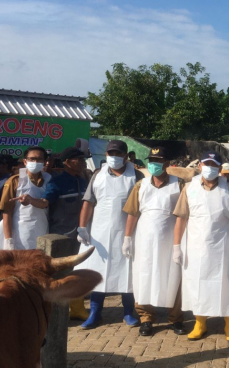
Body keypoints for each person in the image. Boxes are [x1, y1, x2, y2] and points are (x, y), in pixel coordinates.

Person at [172, 151, 229, 342]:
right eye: (207, 164)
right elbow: (181, 219)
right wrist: (176, 246)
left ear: (220, 169)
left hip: (224, 244)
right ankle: (200, 323)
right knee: (198, 283)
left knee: (228, 282)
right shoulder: (189, 188)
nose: (210, 168)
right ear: (200, 166)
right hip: (196, 245)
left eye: (214, 165)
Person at [75, 140, 143, 329]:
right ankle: (95, 313)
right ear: (106, 155)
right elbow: (88, 202)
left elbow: (139, 206)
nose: (114, 157)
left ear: (126, 156)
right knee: (98, 270)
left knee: (126, 272)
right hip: (99, 232)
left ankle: (129, 312)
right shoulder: (98, 175)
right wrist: (82, 227)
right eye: (110, 153)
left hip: (127, 231)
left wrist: (129, 236)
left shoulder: (135, 175)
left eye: (118, 154)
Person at [122, 147, 187, 337]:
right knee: (144, 276)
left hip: (170, 239)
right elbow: (133, 213)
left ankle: (175, 319)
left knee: (173, 276)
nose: (154, 164)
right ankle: (146, 318)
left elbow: (184, 214)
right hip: (144, 239)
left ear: (167, 164)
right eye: (151, 160)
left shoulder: (179, 184)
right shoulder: (140, 185)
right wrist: (127, 237)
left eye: (158, 160)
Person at [24, 147, 90, 320]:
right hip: (61, 237)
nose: (83, 162)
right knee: (59, 275)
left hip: (82, 236)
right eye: (79, 159)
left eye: (83, 159)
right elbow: (45, 202)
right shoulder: (57, 182)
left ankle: (77, 308)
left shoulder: (85, 181)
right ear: (67, 162)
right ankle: (54, 312)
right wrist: (31, 201)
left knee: (78, 271)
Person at [0, 146, 51, 251]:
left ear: (45, 162)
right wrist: (8, 240)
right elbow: (7, 212)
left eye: (39, 159)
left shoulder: (49, 180)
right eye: (32, 159)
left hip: (41, 229)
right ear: (25, 161)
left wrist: (31, 200)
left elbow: (46, 203)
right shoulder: (14, 181)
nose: (35, 162)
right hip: (19, 233)